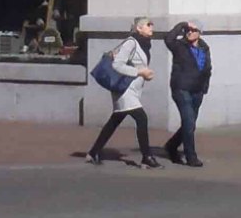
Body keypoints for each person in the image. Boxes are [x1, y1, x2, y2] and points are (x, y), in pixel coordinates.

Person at [87, 18, 162, 166]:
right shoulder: (131, 42)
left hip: (132, 89)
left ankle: (93, 153)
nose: (151, 27)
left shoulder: (144, 45)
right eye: (148, 24)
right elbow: (117, 65)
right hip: (124, 89)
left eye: (151, 24)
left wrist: (144, 74)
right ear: (138, 28)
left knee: (114, 121)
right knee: (142, 118)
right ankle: (146, 157)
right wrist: (139, 72)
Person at [161, 18, 212, 166]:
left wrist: (204, 87)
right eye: (187, 30)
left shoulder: (204, 48)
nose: (189, 32)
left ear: (200, 33)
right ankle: (191, 157)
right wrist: (182, 24)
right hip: (181, 88)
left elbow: (208, 69)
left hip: (198, 90)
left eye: (193, 30)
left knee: (190, 125)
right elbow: (168, 38)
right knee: (189, 122)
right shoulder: (179, 46)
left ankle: (171, 146)